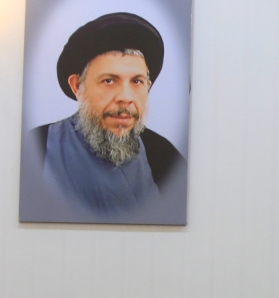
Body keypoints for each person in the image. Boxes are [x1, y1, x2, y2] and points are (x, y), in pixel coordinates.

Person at [19, 12, 188, 224]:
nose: (125, 98)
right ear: (77, 86)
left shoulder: (165, 156)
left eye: (137, 82)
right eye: (109, 81)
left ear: (148, 87)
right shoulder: (37, 147)